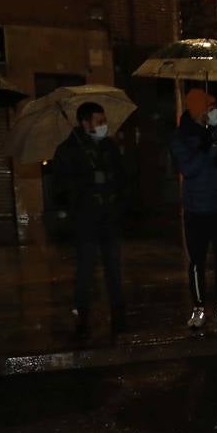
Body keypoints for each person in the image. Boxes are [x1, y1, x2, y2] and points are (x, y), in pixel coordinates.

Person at [171, 88, 217, 332]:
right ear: (197, 110)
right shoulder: (182, 136)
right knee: (197, 262)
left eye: (214, 106)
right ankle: (199, 308)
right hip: (196, 209)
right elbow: (188, 168)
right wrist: (208, 147)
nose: (213, 111)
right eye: (208, 107)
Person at [53, 102, 126, 340]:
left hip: (109, 217)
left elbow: (122, 175)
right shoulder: (69, 149)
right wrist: (88, 179)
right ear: (85, 123)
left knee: (113, 266)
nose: (104, 125)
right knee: (86, 267)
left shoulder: (108, 146)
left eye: (104, 121)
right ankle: (81, 313)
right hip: (85, 219)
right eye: (99, 121)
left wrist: (111, 182)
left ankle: (118, 312)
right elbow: (61, 186)